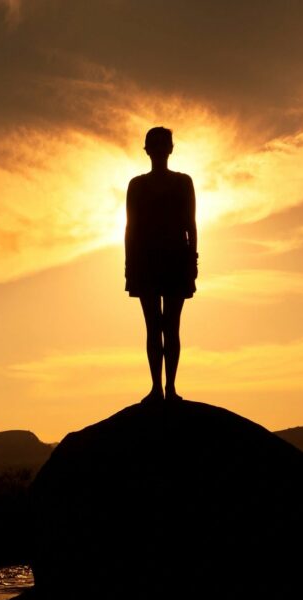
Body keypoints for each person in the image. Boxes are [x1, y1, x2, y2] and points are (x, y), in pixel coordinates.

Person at [125, 126, 198, 403]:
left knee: (172, 326)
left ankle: (170, 388)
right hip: (145, 262)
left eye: (162, 144)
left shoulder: (183, 182)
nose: (157, 150)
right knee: (153, 327)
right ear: (147, 150)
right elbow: (130, 227)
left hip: (176, 259)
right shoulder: (137, 185)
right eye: (153, 145)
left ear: (170, 149)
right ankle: (157, 387)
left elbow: (191, 223)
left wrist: (193, 259)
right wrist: (129, 264)